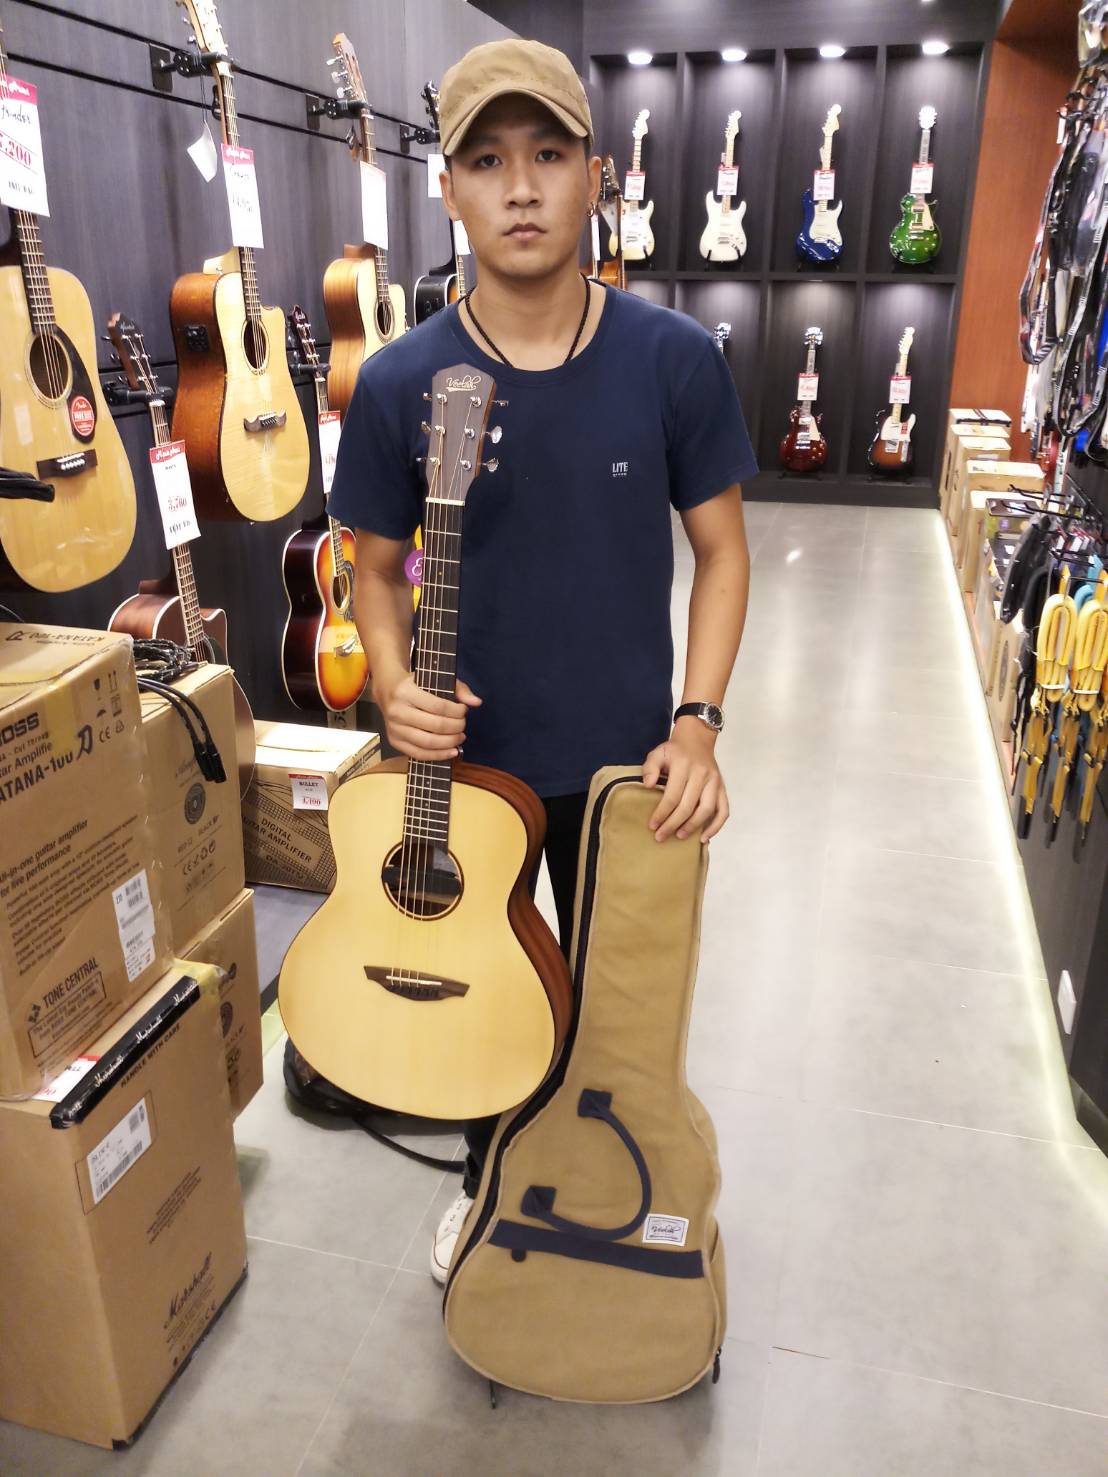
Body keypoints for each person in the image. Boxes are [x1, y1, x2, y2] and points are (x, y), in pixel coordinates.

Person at [327, 38, 756, 1286]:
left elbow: (723, 554)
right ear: (448, 189)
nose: (520, 188)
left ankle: (607, 1183)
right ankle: (489, 1179)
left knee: (619, 1011)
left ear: (594, 178)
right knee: (475, 991)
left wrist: (698, 720)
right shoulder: (401, 381)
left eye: (549, 155)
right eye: (487, 161)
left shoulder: (671, 358)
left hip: (628, 774)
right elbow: (371, 569)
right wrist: (396, 683)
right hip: (467, 775)